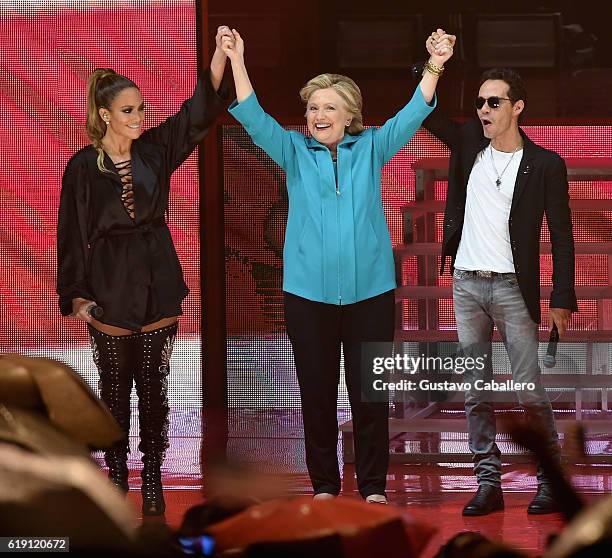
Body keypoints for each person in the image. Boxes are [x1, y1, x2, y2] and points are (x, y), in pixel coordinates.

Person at [223, 28, 454, 504]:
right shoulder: (291, 150)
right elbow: (252, 115)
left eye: (329, 107)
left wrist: (435, 63)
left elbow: (414, 111)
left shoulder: (372, 147)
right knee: (317, 397)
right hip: (308, 298)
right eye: (312, 108)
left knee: (370, 398)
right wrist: (237, 60)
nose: (318, 115)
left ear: (351, 115)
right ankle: (325, 486)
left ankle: (372, 487)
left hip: (370, 295)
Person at [56, 26, 233, 516]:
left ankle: (152, 475)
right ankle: (116, 476)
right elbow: (70, 235)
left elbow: (196, 114)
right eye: (128, 111)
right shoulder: (81, 168)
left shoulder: (155, 150)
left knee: (154, 385)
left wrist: (219, 54)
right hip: (109, 285)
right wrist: (77, 296)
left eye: (141, 109)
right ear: (105, 114)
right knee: (114, 389)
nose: (138, 118)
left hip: (158, 277)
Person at [420, 33, 577, 515]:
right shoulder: (469, 142)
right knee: (475, 392)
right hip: (466, 283)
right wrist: (434, 63)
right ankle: (488, 483)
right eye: (480, 103)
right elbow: (427, 113)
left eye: (493, 102)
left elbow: (563, 236)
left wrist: (562, 297)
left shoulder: (545, 164)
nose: (484, 110)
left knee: (530, 390)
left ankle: (550, 482)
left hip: (513, 288)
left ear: (518, 107)